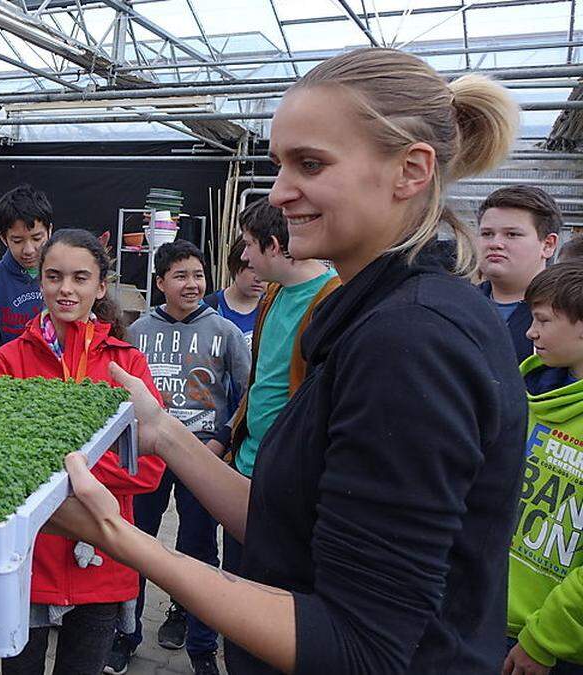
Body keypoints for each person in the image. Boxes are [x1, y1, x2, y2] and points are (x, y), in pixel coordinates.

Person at [47, 47, 526, 674]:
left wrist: (114, 535)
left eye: (311, 163)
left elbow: (358, 646)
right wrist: (162, 430)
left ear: (410, 170)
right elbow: (287, 526)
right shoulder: (375, 319)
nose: (280, 192)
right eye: (279, 164)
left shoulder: (411, 343)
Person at [0, 228, 165, 675]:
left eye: (80, 278)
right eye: (54, 276)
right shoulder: (8, 363)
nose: (66, 289)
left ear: (101, 287)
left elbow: (151, 468)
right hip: (27, 561)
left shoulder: (127, 365)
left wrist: (63, 465)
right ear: (40, 282)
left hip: (104, 558)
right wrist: (93, 466)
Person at [108, 240, 249, 675]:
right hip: (147, 458)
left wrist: (221, 444)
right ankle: (125, 634)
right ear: (160, 283)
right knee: (136, 544)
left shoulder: (223, 331)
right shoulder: (138, 331)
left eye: (198, 276)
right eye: (181, 276)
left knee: (199, 551)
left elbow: (246, 394)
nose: (192, 285)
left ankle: (201, 646)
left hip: (203, 457)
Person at [209, 197, 338, 575]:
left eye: (249, 244)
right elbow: (260, 382)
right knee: (236, 584)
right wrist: (229, 434)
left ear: (274, 246)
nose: (245, 256)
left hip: (288, 482)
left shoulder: (330, 301)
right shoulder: (273, 295)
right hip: (247, 468)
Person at [504, 261, 583, 675]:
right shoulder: (523, 392)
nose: (530, 332)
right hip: (493, 614)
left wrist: (544, 639)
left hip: (557, 645)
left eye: (543, 320)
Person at [477, 185, 563, 362]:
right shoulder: (456, 305)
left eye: (512, 234)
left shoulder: (569, 311)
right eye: (487, 234)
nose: (495, 243)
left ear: (548, 245)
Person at [0, 184, 54, 365]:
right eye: (17, 240)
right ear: (3, 238)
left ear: (50, 231)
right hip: (11, 380)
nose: (28, 250)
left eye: (37, 238)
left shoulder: (63, 275)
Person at [202, 237, 264, 349]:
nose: (259, 278)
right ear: (234, 266)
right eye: (252, 269)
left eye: (265, 269)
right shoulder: (207, 308)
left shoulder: (273, 308)